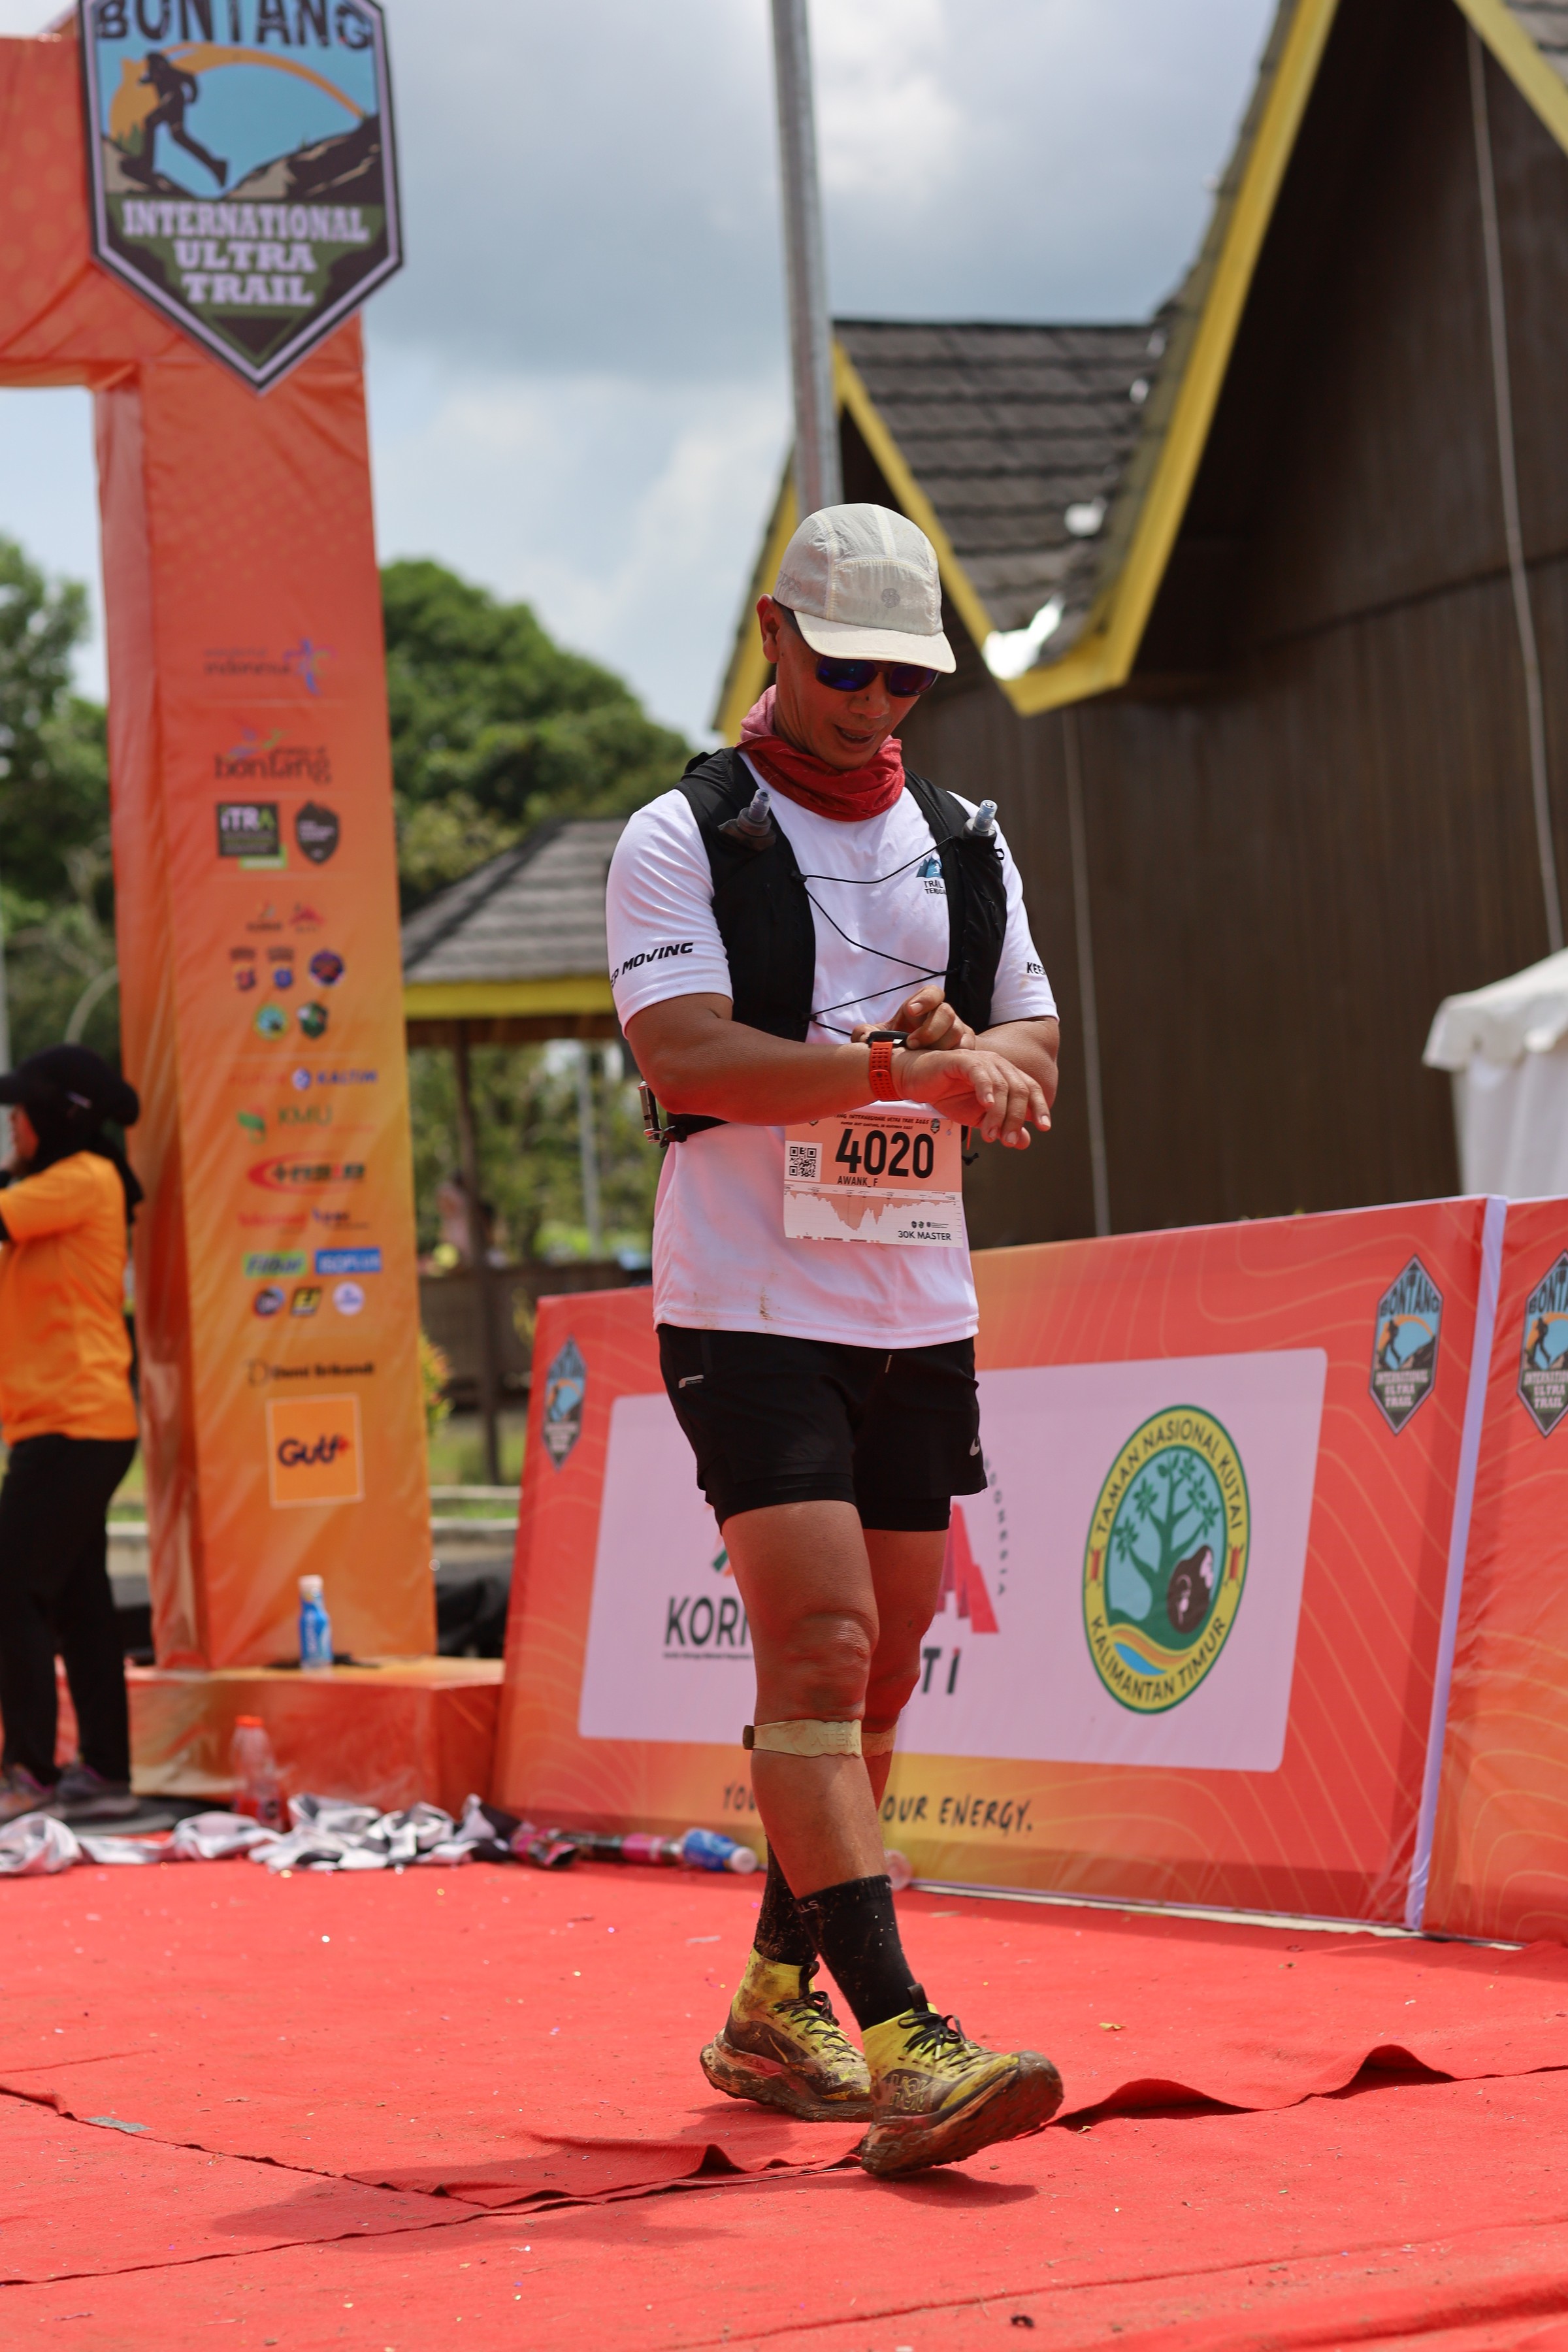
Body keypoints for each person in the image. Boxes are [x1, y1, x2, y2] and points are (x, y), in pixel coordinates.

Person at [606, 504, 1064, 2178]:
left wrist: (983, 1063)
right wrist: (898, 1070)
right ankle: (907, 2041)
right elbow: (684, 1056)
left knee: (870, 1680)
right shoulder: (683, 835)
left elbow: (1031, 1044)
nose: (873, 703)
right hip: (744, 1299)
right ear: (773, 636)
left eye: (904, 680)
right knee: (814, 1653)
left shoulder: (964, 840)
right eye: (846, 668)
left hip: (915, 1300)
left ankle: (766, 2006)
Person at [0, 1046, 144, 1825]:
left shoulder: (83, 1179)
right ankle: (105, 1769)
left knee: (10, 1586)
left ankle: (28, 1770)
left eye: (20, 1114)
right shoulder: (56, 1188)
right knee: (79, 1601)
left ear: (57, 1120)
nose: (13, 1127)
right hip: (64, 1426)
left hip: (75, 1426)